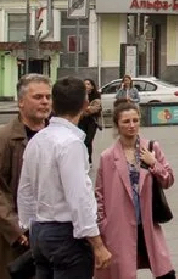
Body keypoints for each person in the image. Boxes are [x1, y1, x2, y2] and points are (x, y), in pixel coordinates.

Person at [17, 76, 112, 277]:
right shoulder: (71, 143)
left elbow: (25, 190)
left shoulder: (37, 139)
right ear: (85, 105)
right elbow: (79, 196)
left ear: (54, 103)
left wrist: (27, 226)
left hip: (40, 230)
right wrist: (97, 243)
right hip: (65, 233)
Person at [94, 101, 175, 279]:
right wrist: (103, 225)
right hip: (119, 224)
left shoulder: (152, 148)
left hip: (147, 221)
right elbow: (99, 194)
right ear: (117, 124)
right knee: (123, 272)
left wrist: (154, 163)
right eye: (126, 122)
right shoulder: (108, 156)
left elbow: (168, 180)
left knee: (164, 270)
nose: (132, 126)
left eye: (135, 120)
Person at [0, 74, 53, 277]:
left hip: (53, 235)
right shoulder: (6, 139)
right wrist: (15, 228)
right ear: (20, 101)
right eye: (38, 97)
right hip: (16, 239)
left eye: (48, 97)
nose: (45, 102)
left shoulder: (59, 135)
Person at [78, 82, 102, 162]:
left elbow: (96, 108)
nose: (86, 85)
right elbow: (78, 109)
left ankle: (89, 160)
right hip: (81, 121)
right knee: (82, 140)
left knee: (88, 140)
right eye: (84, 84)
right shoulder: (80, 95)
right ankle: (84, 160)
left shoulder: (96, 95)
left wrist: (86, 109)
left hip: (92, 121)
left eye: (88, 84)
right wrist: (87, 109)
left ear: (92, 86)